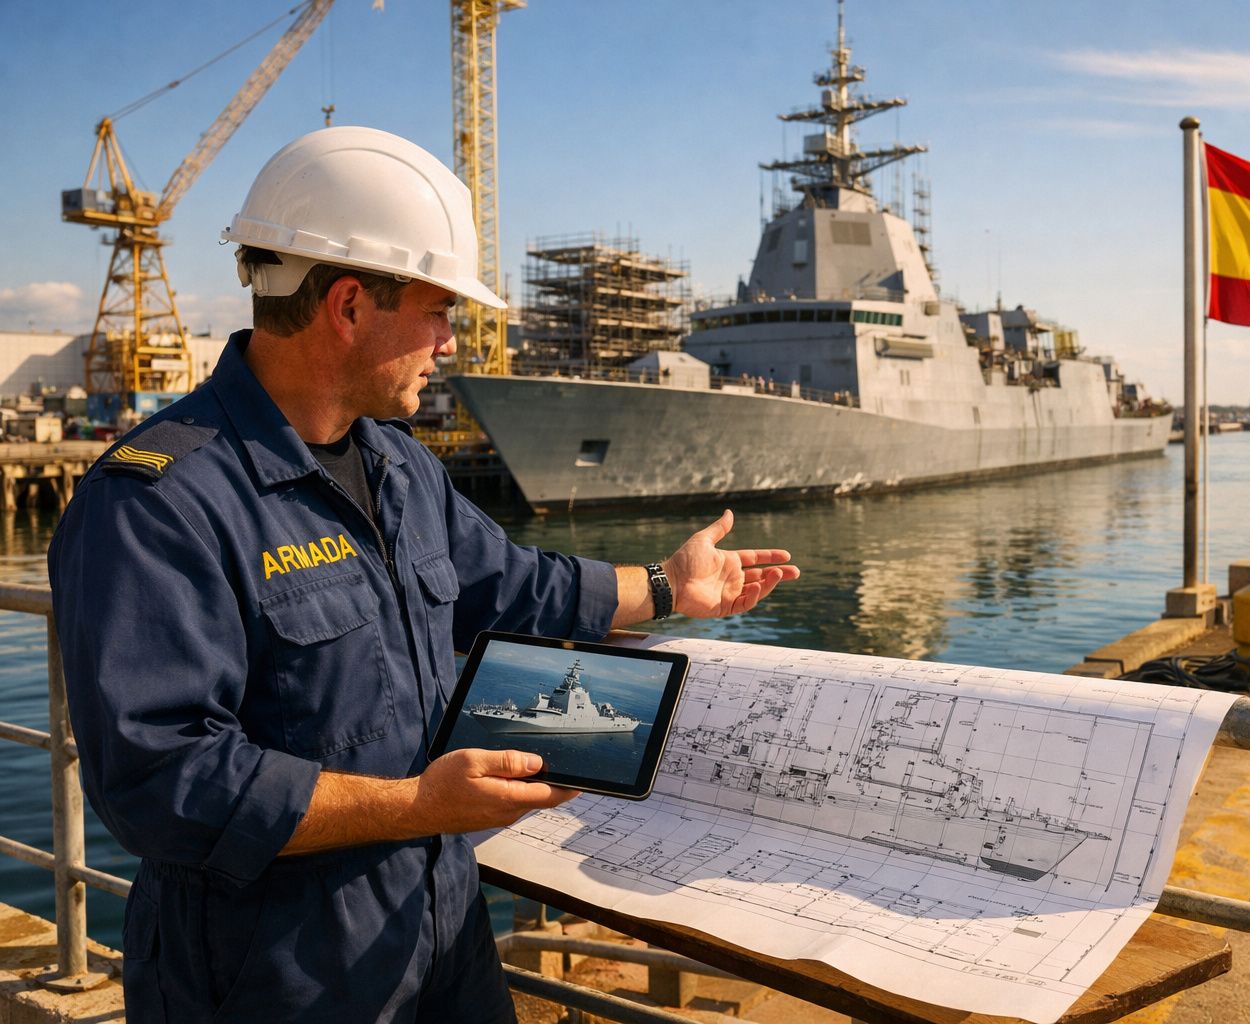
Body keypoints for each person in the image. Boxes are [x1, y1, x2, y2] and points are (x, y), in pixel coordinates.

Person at [47, 126, 799, 1023]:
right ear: (352, 306)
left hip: (439, 940)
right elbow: (158, 779)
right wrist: (415, 805)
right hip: (271, 982)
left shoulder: (402, 469)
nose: (451, 342)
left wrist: (672, 589)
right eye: (440, 309)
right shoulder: (158, 502)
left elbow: (512, 584)